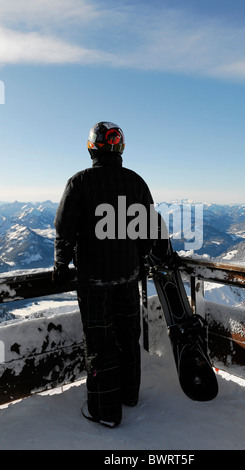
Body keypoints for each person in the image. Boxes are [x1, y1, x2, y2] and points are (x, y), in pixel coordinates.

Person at [53, 121, 155, 428]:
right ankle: (129, 396)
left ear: (91, 147)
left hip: (94, 280)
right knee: (128, 337)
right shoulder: (136, 182)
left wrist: (61, 264)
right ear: (120, 148)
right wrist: (140, 261)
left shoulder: (80, 182)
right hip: (128, 277)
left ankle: (105, 410)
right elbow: (148, 229)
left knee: (99, 343)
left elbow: (65, 230)